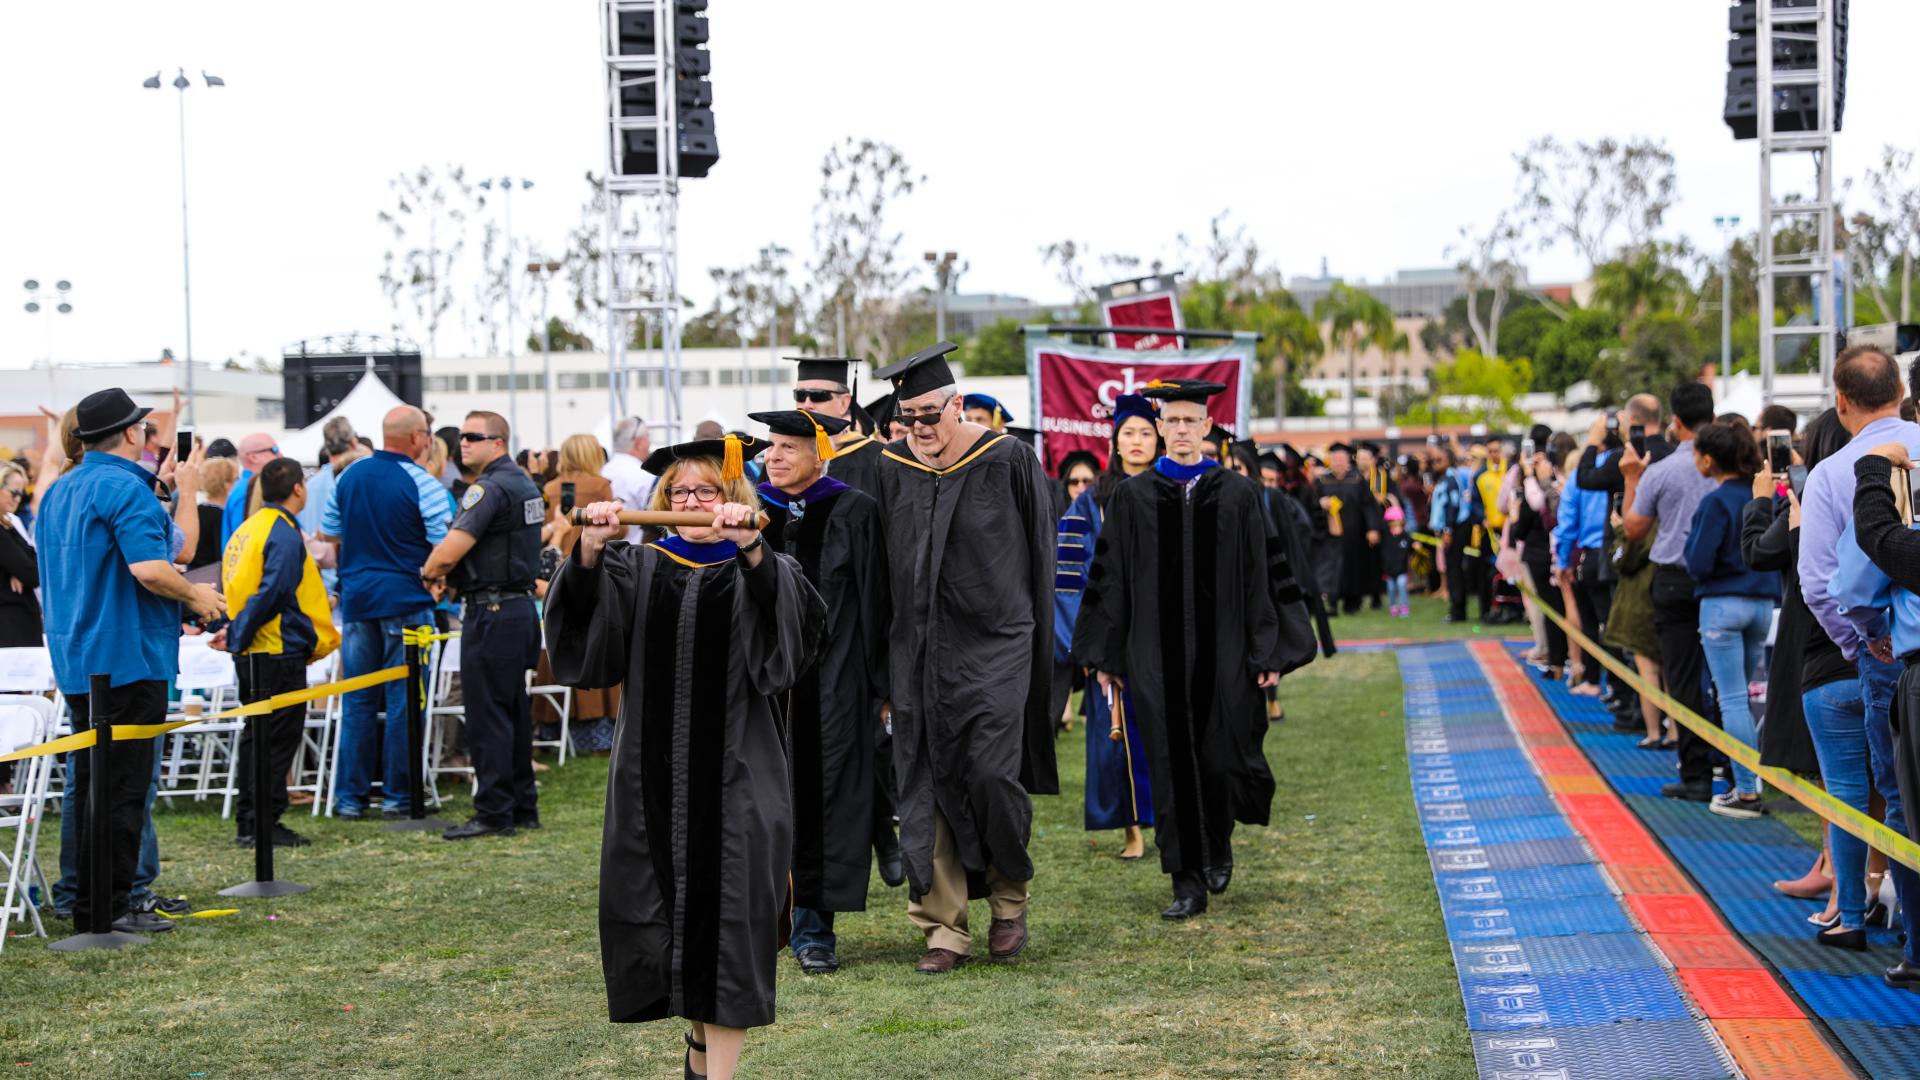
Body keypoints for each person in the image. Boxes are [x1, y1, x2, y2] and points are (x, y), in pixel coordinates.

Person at [546, 437, 824, 1080]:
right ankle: (701, 1053)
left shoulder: (764, 568)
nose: (694, 502)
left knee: (729, 927)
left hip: (737, 779)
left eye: (708, 491)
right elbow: (588, 650)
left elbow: (789, 650)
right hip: (652, 780)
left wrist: (752, 546)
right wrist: (588, 549)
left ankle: (715, 1072)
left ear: (734, 498)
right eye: (681, 492)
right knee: (670, 921)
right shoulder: (639, 567)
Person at [1072, 378, 1314, 919]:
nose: (1181, 430)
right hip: (1153, 657)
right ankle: (1185, 880)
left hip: (1225, 652)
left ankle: (1218, 843)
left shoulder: (1240, 495)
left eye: (1190, 421)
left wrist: (1267, 651)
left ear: (1207, 428)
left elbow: (1264, 577)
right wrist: (1107, 657)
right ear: (1160, 428)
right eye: (1172, 421)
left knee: (1222, 756)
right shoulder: (1131, 499)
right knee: (1169, 763)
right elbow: (1112, 583)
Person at [870, 341, 1057, 975]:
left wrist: (1039, 658)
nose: (918, 430)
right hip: (916, 652)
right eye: (906, 419)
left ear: (957, 404)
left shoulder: (1007, 459)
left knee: (990, 775)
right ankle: (943, 929)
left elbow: (1040, 560)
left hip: (997, 648)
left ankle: (1009, 898)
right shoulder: (894, 469)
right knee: (921, 783)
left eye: (928, 415)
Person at [36, 388, 224, 935]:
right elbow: (153, 567)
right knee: (122, 791)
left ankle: (88, 898)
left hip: (78, 656)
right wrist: (197, 597)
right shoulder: (125, 486)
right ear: (131, 434)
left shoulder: (59, 491)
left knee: (93, 786)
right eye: (142, 427)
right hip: (128, 655)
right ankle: (112, 905)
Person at [748, 408, 893, 975]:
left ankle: (813, 930)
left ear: (820, 454)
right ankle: (757, 919)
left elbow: (878, 603)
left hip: (833, 682)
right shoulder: (749, 510)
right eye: (771, 447)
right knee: (756, 802)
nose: (774, 457)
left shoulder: (855, 510)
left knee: (823, 801)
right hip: (759, 684)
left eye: (788, 447)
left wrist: (881, 686)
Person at [1807, 344, 1920, 975]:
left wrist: (1864, 642)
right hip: (1894, 648)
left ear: (1840, 400)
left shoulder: (1836, 472)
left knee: (1902, 796)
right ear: (1901, 390)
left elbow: (1825, 583)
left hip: (1895, 655)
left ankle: (1915, 938)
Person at [319, 405, 450, 819]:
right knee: (406, 701)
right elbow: (444, 541)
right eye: (426, 433)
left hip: (358, 601)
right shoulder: (422, 483)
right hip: (408, 602)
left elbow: (329, 533)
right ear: (416, 438)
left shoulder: (348, 476)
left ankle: (350, 799)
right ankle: (399, 796)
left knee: (357, 701)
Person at [1743, 409, 1851, 908]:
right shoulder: (1858, 487)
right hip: (1860, 642)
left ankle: (1846, 888)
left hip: (1825, 642)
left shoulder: (1816, 499)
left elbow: (1760, 553)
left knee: (1841, 775)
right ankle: (1838, 871)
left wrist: (1762, 502)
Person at [422, 410, 544, 840]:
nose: (463, 444)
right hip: (516, 608)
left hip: (492, 611)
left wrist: (431, 571)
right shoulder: (523, 481)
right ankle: (521, 805)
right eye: (463, 437)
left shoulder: (488, 487)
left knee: (488, 715)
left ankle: (494, 812)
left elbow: (449, 551)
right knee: (511, 711)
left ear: (498, 442)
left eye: (474, 436)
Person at [1056, 394, 1159, 861]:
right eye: (1128, 434)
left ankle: (1168, 821)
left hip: (1162, 637)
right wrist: (1088, 648)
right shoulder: (1092, 502)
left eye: (1145, 433)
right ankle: (1132, 830)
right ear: (1115, 442)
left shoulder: (1171, 490)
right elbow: (1069, 580)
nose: (1136, 441)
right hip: (1112, 642)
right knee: (1115, 738)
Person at [219, 456, 340, 848]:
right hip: (275, 652)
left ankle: (250, 822)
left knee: (256, 739)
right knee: (275, 741)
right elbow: (273, 590)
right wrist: (239, 633)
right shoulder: (283, 531)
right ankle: (263, 824)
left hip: (256, 651)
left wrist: (237, 633)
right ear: (298, 489)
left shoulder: (248, 529)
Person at [1832, 440, 1920, 974]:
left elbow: (1857, 580)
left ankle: (1917, 946)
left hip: (1908, 668)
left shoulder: (1894, 474)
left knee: (1906, 812)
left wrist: (1871, 633)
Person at [1621, 383, 1720, 801]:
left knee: (1681, 679)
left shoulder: (1660, 472)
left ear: (1675, 423)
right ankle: (1735, 775)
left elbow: (1633, 528)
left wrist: (1630, 479)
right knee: (1727, 682)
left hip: (1676, 581)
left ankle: (1696, 772)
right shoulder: (1730, 464)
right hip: (1722, 579)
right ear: (1711, 418)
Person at [1682, 422, 1781, 819]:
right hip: (1762, 602)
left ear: (1709, 459)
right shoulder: (1762, 496)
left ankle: (1746, 789)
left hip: (1722, 604)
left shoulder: (1716, 502)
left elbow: (1698, 561)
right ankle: (1745, 780)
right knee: (1742, 697)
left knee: (1733, 699)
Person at [788, 357, 885, 497]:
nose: (806, 404)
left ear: (844, 403)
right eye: (800, 395)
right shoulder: (781, 456)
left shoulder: (877, 458)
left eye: (818, 396)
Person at [1316, 443, 1382, 615]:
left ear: (1348, 461)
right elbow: (1310, 504)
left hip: (1355, 534)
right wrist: (1320, 503)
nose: (1338, 463)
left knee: (1353, 567)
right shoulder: (1322, 481)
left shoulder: (1358, 480)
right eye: (1335, 459)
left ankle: (1352, 603)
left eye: (1341, 460)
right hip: (1330, 535)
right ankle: (1332, 602)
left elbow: (1369, 506)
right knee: (1332, 568)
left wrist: (1372, 528)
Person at [1429, 446, 1477, 623]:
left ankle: (1458, 611)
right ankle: (1457, 608)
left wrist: (1448, 530)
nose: (1435, 463)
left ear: (1449, 460)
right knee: (1453, 569)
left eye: (1439, 459)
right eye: (1434, 460)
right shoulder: (1445, 478)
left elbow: (1453, 505)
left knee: (1454, 569)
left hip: (1456, 528)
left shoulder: (1451, 479)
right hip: (1452, 528)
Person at [0, 463, 41, 647]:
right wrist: (21, 569)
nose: (18, 499)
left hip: (17, 621)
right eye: (14, 492)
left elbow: (33, 562)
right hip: (10, 624)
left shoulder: (9, 524)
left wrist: (20, 569)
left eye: (21, 494)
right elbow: (33, 574)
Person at [221, 432, 281, 549]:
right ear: (253, 457)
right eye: (274, 450)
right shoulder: (248, 491)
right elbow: (244, 542)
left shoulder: (245, 487)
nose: (280, 454)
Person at [602, 416, 655, 544]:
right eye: (648, 437)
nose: (649, 442)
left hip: (603, 551)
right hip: (634, 554)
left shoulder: (603, 470)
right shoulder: (644, 475)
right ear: (639, 443)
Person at [189, 456, 239, 570]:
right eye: (236, 479)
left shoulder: (196, 509)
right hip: (213, 576)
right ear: (226, 484)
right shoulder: (220, 516)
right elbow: (221, 554)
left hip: (193, 573)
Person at [1381, 506, 1413, 617]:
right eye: (1392, 521)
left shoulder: (1405, 536)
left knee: (1401, 585)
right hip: (1389, 570)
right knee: (1391, 588)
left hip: (1401, 569)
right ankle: (1393, 607)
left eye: (1397, 521)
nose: (1395, 524)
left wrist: (1416, 546)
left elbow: (1412, 545)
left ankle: (1404, 607)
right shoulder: (1385, 536)